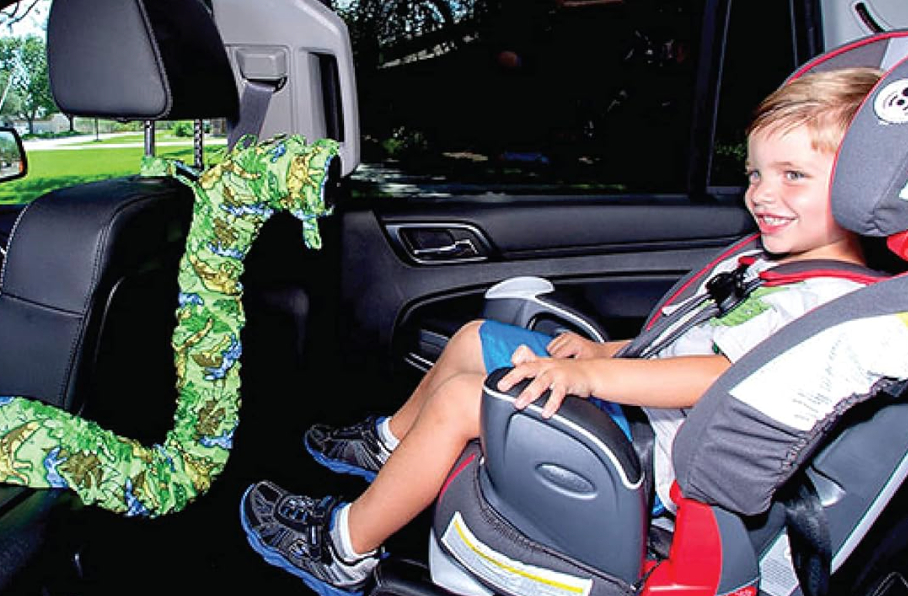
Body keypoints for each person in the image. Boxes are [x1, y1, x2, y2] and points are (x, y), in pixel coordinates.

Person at [239, 66, 884, 596]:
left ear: (866, 187)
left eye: (793, 176)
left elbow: (719, 375)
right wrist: (602, 351)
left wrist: (589, 373)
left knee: (470, 399)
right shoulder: (775, 264)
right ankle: (389, 445)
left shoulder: (821, 303)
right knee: (471, 339)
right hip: (647, 413)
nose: (761, 194)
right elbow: (688, 344)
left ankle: (344, 547)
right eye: (755, 174)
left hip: (659, 465)